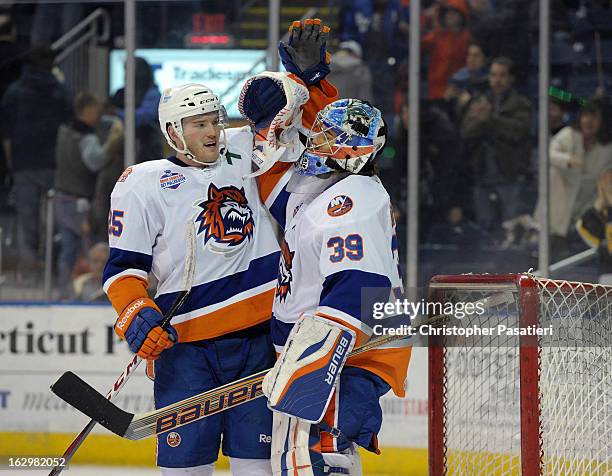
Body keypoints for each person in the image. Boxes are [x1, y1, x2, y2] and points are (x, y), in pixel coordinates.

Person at [102, 18, 337, 476]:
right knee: (185, 471)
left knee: (258, 469)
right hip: (186, 350)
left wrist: (311, 81)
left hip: (258, 342)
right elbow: (123, 270)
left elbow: (313, 129)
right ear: (174, 131)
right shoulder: (141, 183)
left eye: (214, 120)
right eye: (197, 124)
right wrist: (136, 315)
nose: (211, 131)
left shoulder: (246, 147)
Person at [240, 80, 411, 473]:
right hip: (330, 356)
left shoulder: (351, 200)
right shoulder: (327, 191)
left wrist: (308, 370)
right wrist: (270, 122)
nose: (314, 144)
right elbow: (279, 192)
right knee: (310, 455)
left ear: (351, 151)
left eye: (326, 138)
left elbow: (359, 287)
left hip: (346, 358)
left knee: (314, 455)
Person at [0, 46, 72, 281]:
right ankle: (53, 269)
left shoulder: (15, 91)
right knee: (56, 218)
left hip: (24, 163)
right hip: (54, 162)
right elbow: (68, 127)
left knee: (27, 219)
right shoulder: (60, 90)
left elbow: (7, 134)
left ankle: (29, 271)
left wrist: (12, 165)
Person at [54, 92, 123, 298]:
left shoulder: (64, 130)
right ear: (89, 110)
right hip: (78, 201)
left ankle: (64, 291)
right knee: (88, 248)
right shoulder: (86, 136)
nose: (99, 116)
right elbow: (95, 161)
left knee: (68, 249)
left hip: (62, 196)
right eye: (97, 112)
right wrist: (113, 141)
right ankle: (89, 294)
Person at [460, 57, 533, 238]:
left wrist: (489, 119)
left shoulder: (521, 104)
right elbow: (466, 131)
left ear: (511, 78)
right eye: (493, 75)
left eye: (502, 75)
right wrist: (484, 120)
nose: (497, 80)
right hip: (482, 173)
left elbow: (518, 131)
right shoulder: (479, 102)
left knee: (513, 228)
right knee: (485, 230)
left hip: (510, 175)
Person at [545, 98, 612, 260]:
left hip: (588, 205)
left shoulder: (607, 148)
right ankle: (556, 237)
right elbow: (548, 153)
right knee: (553, 172)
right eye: (585, 115)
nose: (588, 121)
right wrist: (567, 160)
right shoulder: (568, 135)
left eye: (594, 117)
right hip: (561, 201)